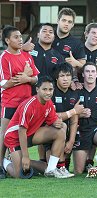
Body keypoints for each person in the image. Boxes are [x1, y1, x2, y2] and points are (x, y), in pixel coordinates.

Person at [3, 76, 71, 178]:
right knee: (19, 174)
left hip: (30, 134)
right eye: (44, 89)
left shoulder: (48, 103)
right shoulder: (29, 105)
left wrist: (56, 123)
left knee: (61, 130)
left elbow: (52, 120)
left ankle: (51, 169)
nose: (48, 92)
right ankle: (5, 162)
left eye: (50, 89)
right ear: (37, 89)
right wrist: (25, 157)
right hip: (14, 137)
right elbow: (21, 131)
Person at [0, 26, 39, 179]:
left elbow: (36, 78)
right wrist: (24, 75)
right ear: (7, 40)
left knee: (22, 133)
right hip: (10, 102)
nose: (20, 39)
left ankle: (18, 161)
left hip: (26, 102)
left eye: (20, 36)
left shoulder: (27, 56)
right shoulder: (4, 57)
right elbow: (4, 83)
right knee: (3, 133)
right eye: (16, 37)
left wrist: (27, 78)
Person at [46, 62, 84, 174]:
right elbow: (53, 117)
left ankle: (64, 166)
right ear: (56, 77)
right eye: (62, 76)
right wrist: (73, 111)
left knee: (75, 169)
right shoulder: (50, 92)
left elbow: (74, 118)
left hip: (68, 133)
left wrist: (71, 141)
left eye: (68, 76)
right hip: (50, 132)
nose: (65, 79)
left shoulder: (74, 93)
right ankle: (9, 162)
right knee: (49, 167)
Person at [52, 7, 86, 89]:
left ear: (72, 25)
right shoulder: (48, 37)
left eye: (69, 22)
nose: (66, 24)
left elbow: (84, 67)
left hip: (65, 86)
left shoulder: (76, 43)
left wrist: (76, 63)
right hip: (46, 82)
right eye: (64, 20)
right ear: (58, 21)